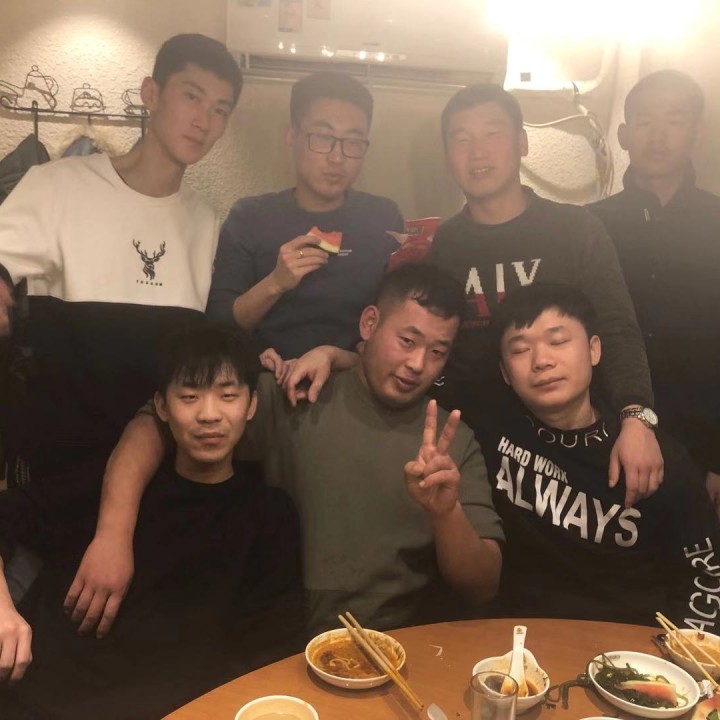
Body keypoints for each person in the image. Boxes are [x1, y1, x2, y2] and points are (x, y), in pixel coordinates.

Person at [67, 263, 504, 637]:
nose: (417, 364)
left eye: (437, 352)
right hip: (272, 640)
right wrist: (113, 535)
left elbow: (482, 585)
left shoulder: (449, 439)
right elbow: (152, 425)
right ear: (369, 323)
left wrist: (446, 514)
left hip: (391, 646)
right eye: (407, 341)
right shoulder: (299, 390)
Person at [0, 325, 300, 720]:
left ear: (251, 405)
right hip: (39, 697)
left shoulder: (269, 515)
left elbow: (270, 647)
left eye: (228, 396)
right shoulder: (111, 483)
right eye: (189, 397)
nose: (209, 414)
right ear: (161, 406)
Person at [0, 33, 242, 487]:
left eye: (220, 110)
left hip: (166, 475)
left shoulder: (206, 222)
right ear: (151, 94)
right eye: (191, 96)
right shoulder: (58, 185)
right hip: (61, 471)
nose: (203, 121)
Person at [425, 82, 663, 508]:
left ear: (522, 142)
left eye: (492, 134)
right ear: (446, 155)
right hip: (478, 452)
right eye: (462, 139)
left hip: (574, 451)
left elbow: (616, 327)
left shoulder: (575, 230)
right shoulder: (443, 245)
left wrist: (636, 417)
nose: (477, 152)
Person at [485, 282, 720, 628]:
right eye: (520, 350)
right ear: (505, 373)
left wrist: (680, 652)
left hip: (633, 642)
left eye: (558, 341)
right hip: (519, 639)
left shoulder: (654, 454)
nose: (542, 361)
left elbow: (705, 577)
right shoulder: (489, 433)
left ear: (594, 350)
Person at [587, 70, 720, 513]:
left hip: (702, 443)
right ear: (624, 135)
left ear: (697, 133)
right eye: (645, 122)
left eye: (674, 121)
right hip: (606, 437)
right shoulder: (589, 226)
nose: (658, 136)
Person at [206, 70, 404, 358]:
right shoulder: (250, 218)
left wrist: (338, 360)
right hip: (265, 378)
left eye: (352, 142)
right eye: (323, 137)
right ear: (292, 136)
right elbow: (219, 324)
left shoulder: (383, 219)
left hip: (354, 378)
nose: (337, 157)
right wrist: (275, 283)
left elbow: (398, 323)